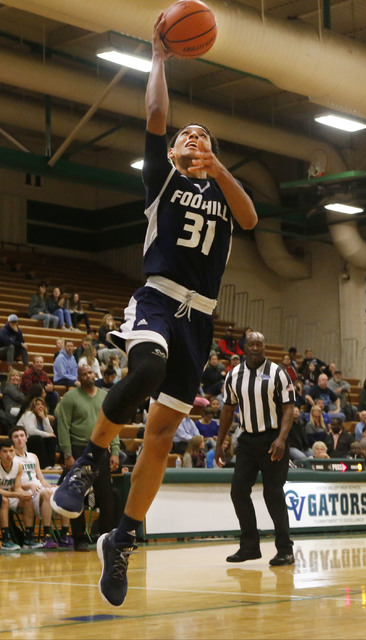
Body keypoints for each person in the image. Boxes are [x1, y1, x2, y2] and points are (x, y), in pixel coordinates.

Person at [51, 13, 257, 608]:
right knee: (143, 370)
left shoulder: (220, 188)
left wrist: (217, 166)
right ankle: (90, 461)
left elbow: (249, 220)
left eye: (205, 137)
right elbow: (156, 116)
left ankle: (121, 538)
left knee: (163, 437)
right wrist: (160, 59)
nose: (196, 139)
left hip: (201, 319)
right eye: (188, 136)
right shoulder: (162, 181)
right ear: (171, 151)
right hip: (159, 299)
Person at [214, 332, 295, 566]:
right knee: (238, 491)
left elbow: (289, 408)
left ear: (264, 347)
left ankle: (285, 549)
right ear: (244, 348)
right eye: (252, 344)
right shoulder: (234, 375)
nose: (257, 348)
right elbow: (228, 410)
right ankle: (249, 546)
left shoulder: (278, 372)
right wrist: (220, 443)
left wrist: (281, 438)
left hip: (273, 439)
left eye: (261, 344)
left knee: (273, 493)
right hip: (247, 440)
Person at [54, 364, 120, 551]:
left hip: (101, 448)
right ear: (79, 377)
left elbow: (113, 422)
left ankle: (106, 538)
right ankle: (79, 538)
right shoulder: (70, 398)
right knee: (78, 495)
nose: (88, 376)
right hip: (78, 450)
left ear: (95, 374)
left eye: (90, 372)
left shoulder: (105, 396)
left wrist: (114, 450)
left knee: (106, 496)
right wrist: (67, 454)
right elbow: (63, 427)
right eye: (84, 374)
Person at [11, 426, 73, 548]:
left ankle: (65, 533)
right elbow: (10, 484)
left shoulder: (33, 456)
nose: (19, 439)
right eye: (16, 436)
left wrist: (50, 485)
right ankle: (47, 536)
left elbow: (42, 479)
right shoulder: (10, 457)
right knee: (47, 494)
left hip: (38, 488)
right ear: (11, 440)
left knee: (64, 492)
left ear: (26, 438)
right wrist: (29, 485)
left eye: (22, 436)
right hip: (24, 491)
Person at [0, 438, 41, 550]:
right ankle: (5, 540)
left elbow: (17, 488)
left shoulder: (18, 466)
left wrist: (24, 494)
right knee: (4, 500)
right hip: (4, 496)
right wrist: (17, 495)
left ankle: (28, 538)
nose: (8, 454)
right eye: (5, 451)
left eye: (11, 450)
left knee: (28, 499)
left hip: (9, 495)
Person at [16, 397, 57, 469]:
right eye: (38, 404)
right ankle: (43, 465)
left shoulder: (43, 416)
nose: (40, 406)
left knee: (52, 439)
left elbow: (50, 432)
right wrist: (47, 434)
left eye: (42, 404)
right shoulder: (29, 414)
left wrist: (44, 418)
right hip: (24, 440)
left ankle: (51, 465)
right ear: (33, 407)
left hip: (36, 441)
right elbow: (31, 431)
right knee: (37, 439)